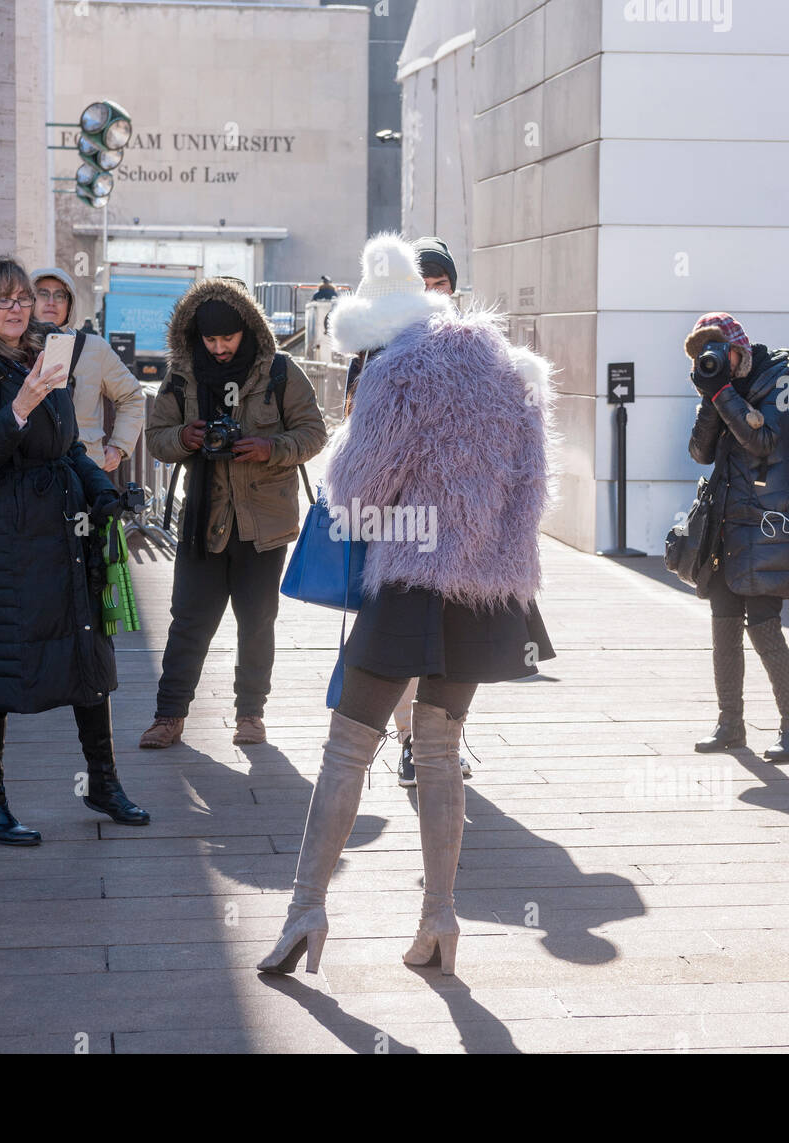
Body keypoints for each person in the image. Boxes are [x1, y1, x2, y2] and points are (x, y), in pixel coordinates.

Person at [258, 233, 555, 977]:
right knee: (442, 754)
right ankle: (440, 918)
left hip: (413, 583)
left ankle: (305, 910)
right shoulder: (510, 370)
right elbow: (531, 494)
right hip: (486, 591)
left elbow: (355, 489)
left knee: (347, 745)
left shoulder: (399, 368)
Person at [0, 255, 149, 846]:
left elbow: (68, 447)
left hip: (60, 535)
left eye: (23, 299)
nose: (15, 309)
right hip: (2, 543)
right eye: (2, 300)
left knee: (87, 657)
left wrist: (106, 492)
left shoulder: (45, 353)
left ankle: (103, 783)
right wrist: (21, 405)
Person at [138, 278, 327, 749]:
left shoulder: (281, 372)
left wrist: (270, 447)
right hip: (203, 524)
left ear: (248, 329)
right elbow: (157, 434)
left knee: (256, 622)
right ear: (196, 337)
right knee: (188, 621)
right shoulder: (181, 377)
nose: (220, 349)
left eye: (228, 338)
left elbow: (313, 433)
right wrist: (186, 438)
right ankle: (168, 716)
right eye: (210, 340)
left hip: (263, 523)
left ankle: (250, 715)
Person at [340, 234, 471, 787]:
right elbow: (355, 438)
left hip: (456, 522)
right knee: (397, 643)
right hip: (392, 520)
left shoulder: (471, 350)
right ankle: (413, 743)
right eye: (424, 284)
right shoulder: (375, 350)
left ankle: (441, 742)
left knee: (452, 645)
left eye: (441, 284)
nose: (433, 293)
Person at [686, 312, 789, 763]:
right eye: (704, 354)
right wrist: (711, 398)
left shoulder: (782, 380)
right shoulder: (722, 388)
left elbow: (765, 443)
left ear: (740, 347)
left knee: (763, 626)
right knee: (723, 627)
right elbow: (699, 453)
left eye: (718, 351)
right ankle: (730, 723)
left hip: (766, 523)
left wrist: (722, 395)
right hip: (725, 523)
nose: (712, 359)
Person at [31, 267, 144, 474]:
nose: (51, 302)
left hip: (83, 470)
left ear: (70, 304)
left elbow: (132, 396)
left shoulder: (94, 348)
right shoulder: (12, 346)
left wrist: (119, 446)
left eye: (60, 295)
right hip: (29, 473)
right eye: (42, 293)